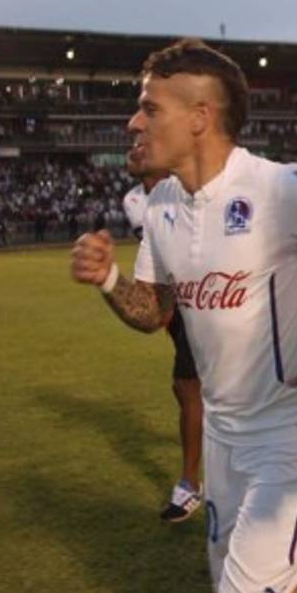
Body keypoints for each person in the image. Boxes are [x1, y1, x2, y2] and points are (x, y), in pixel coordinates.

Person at [69, 39, 297, 593]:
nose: (133, 122)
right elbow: (154, 313)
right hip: (225, 434)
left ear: (200, 116)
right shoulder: (159, 205)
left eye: (150, 108)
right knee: (270, 592)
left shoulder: (281, 188)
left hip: (290, 425)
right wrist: (110, 278)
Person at [121, 152, 204, 523]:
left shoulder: (190, 187)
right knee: (190, 390)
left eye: (143, 139)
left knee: (188, 387)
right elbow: (159, 259)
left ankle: (190, 484)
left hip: (203, 298)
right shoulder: (136, 200)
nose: (134, 146)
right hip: (174, 298)